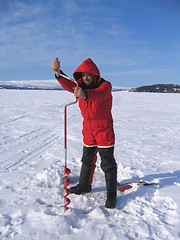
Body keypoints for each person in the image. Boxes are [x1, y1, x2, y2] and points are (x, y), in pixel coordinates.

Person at [52, 57, 117, 208]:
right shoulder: (80, 86)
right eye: (83, 75)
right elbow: (69, 84)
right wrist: (57, 72)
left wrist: (85, 95)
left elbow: (100, 95)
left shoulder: (105, 86)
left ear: (95, 75)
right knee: (87, 160)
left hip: (104, 129)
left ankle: (112, 195)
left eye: (88, 74)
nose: (86, 78)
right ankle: (84, 185)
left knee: (107, 163)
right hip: (88, 129)